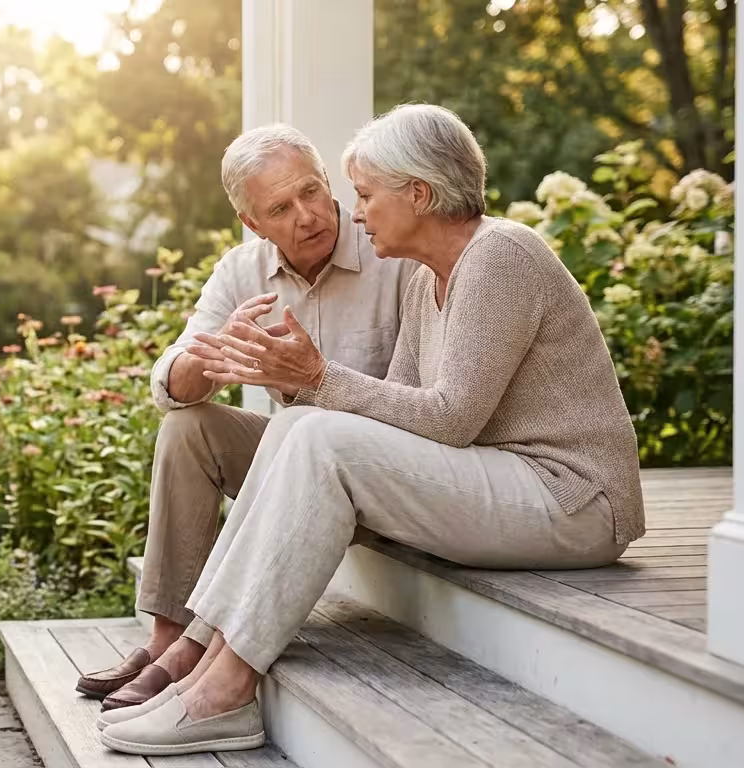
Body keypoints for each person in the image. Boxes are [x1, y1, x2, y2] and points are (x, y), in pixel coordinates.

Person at [96, 103, 644, 757]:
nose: (352, 213)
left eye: (362, 194)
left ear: (419, 192)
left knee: (317, 430)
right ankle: (206, 663)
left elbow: (449, 419)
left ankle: (226, 689)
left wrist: (318, 376)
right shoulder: (426, 280)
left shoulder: (502, 256)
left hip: (574, 499)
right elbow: (405, 411)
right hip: (498, 481)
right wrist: (301, 385)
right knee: (302, 424)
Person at [74, 124, 417, 710]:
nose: (307, 216)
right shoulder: (242, 271)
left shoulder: (391, 252)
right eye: (280, 208)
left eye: (311, 192)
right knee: (188, 426)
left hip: (378, 472)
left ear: (328, 181)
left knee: (298, 429)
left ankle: (196, 649)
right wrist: (213, 353)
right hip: (290, 470)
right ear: (254, 223)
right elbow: (171, 384)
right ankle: (164, 638)